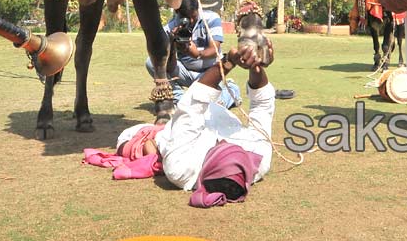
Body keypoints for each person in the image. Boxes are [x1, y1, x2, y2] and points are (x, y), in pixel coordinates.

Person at [97, 43, 275, 207]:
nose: (224, 142)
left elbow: (193, 102)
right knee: (229, 92)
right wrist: (255, 65)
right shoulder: (258, 158)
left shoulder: (182, 167)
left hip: (179, 122)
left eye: (222, 147)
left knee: (129, 139)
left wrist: (228, 62)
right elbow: (263, 104)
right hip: (215, 106)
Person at [145, 0, 240, 109]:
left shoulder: (211, 18)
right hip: (185, 72)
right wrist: (172, 46)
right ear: (177, 13)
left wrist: (197, 54)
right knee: (152, 62)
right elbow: (170, 68)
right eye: (185, 17)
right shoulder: (170, 28)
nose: (190, 21)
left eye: (193, 17)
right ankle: (180, 99)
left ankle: (229, 90)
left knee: (221, 100)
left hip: (209, 72)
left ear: (198, 9)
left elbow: (214, 50)